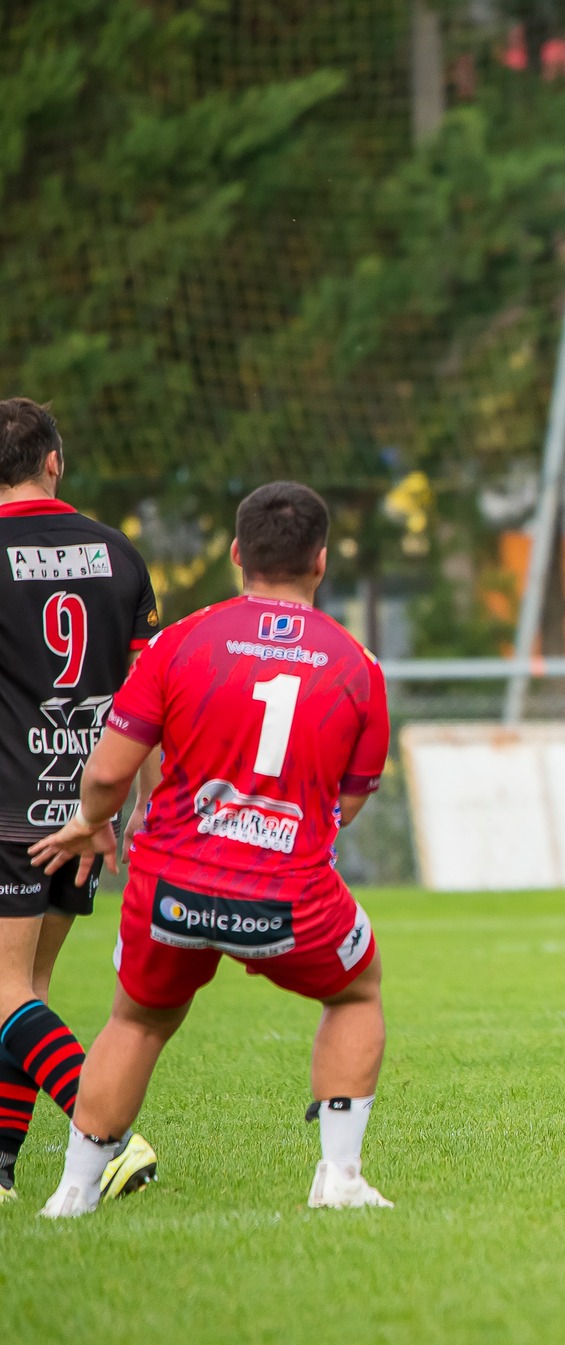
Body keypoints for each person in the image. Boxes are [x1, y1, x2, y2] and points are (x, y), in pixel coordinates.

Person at [29, 481, 393, 1216]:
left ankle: (72, 1194)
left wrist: (93, 820)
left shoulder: (180, 642)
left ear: (236, 554)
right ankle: (341, 1178)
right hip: (289, 892)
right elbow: (347, 805)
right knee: (355, 990)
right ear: (320, 561)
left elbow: (106, 771)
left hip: (173, 884)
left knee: (136, 1019)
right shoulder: (358, 665)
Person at [0, 398, 160, 1204]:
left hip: (6, 806)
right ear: (53, 460)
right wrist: (139, 809)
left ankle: (110, 1135)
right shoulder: (118, 554)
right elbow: (147, 699)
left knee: (5, 992)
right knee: (26, 991)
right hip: (86, 809)